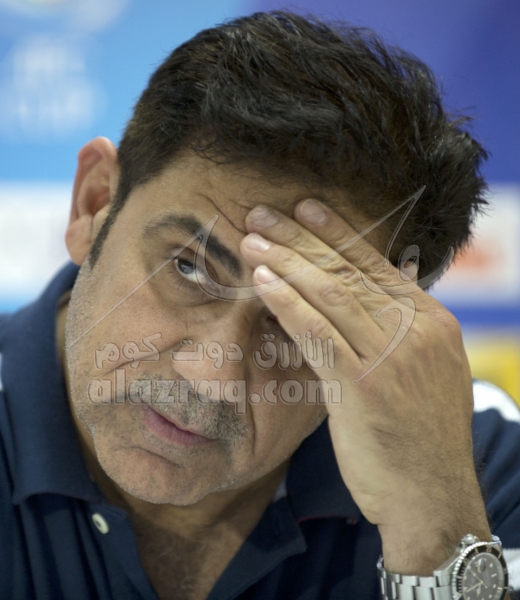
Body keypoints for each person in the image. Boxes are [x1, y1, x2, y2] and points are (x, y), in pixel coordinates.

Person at [1, 10, 520, 600]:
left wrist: (435, 530)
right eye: (188, 267)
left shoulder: (477, 462)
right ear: (95, 205)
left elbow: (447, 508)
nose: (212, 378)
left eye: (296, 318)